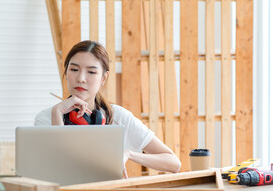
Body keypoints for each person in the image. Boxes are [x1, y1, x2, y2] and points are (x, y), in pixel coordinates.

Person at [35, 40, 181, 177]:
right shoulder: (46, 118)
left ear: (103, 78)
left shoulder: (119, 116)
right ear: (66, 73)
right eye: (74, 69)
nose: (81, 78)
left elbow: (174, 163)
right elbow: (54, 170)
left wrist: (129, 154)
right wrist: (57, 114)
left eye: (91, 72)